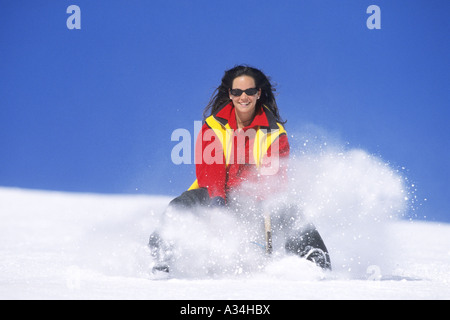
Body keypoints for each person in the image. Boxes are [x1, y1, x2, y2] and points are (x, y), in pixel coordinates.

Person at [149, 65, 331, 275]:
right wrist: (217, 199)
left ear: (258, 93)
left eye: (249, 91)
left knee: (289, 212)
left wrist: (264, 199)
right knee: (180, 206)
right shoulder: (213, 126)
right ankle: (163, 258)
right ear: (230, 94)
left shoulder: (275, 132)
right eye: (237, 92)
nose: (243, 97)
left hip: (254, 201)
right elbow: (210, 169)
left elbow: (275, 174)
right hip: (213, 195)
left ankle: (314, 260)